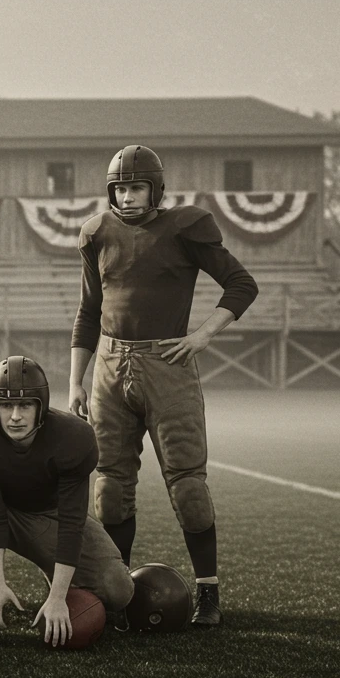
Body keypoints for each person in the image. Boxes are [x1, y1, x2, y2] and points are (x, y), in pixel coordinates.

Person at [68, 145, 259, 627]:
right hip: (110, 366)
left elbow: (241, 284)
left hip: (167, 363)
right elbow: (89, 312)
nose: (127, 196)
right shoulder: (97, 232)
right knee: (110, 487)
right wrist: (76, 379)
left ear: (156, 190)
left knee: (188, 484)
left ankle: (208, 593)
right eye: (120, 188)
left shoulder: (184, 226)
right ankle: (115, 596)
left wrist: (201, 336)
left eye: (136, 187)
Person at [0, 357, 134, 648]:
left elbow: (72, 523)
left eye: (25, 405)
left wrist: (59, 596)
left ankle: (59, 579)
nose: (14, 416)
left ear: (42, 407)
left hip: (54, 517)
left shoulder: (73, 437)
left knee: (118, 590)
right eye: (5, 405)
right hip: (3, 513)